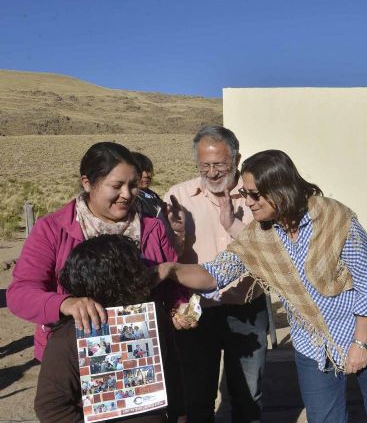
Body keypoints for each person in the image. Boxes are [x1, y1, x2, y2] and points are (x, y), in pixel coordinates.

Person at [158, 149, 367, 423]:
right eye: (246, 194)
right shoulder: (258, 237)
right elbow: (214, 274)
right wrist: (171, 270)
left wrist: (360, 343)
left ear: (279, 189)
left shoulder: (334, 218)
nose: (249, 202)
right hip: (313, 342)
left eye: (255, 194)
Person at [7, 141, 188, 363]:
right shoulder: (52, 229)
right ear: (87, 183)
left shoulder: (152, 227)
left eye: (133, 185)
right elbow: (20, 293)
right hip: (74, 356)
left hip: (143, 351)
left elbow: (172, 281)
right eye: (116, 185)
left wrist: (178, 305)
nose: (127, 194)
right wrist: (65, 303)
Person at [164, 126, 267, 422]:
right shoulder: (177, 197)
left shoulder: (256, 197)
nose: (211, 172)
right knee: (196, 397)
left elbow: (270, 250)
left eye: (220, 164)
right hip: (195, 311)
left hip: (247, 307)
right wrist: (177, 238)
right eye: (204, 165)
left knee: (249, 395)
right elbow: (165, 257)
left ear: (237, 159)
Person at [34, 234, 183, 422]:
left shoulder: (153, 319)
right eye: (137, 268)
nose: (146, 272)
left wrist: (179, 415)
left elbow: (172, 373)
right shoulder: (69, 337)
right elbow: (51, 406)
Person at [131, 151, 165, 218]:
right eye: (140, 171)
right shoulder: (133, 200)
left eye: (148, 170)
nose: (146, 175)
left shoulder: (153, 196)